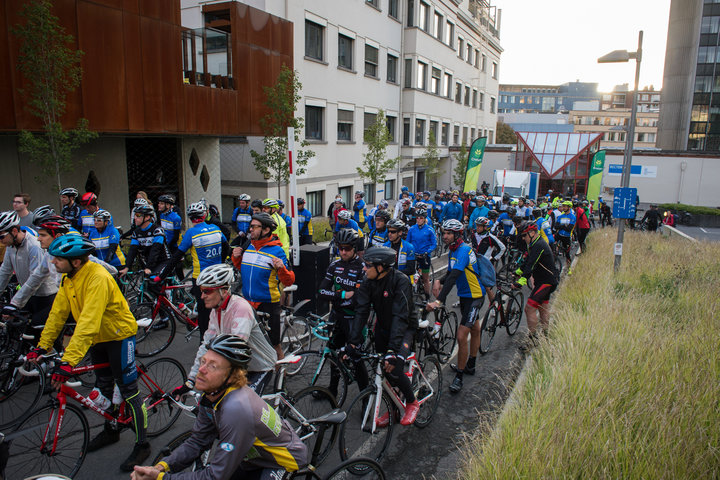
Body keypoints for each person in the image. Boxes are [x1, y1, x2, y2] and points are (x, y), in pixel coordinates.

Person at [27, 235, 150, 472]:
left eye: (58, 259)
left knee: (128, 390)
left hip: (118, 336)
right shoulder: (69, 279)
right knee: (103, 387)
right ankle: (110, 431)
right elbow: (58, 314)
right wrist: (42, 346)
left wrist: (68, 361)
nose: (52, 262)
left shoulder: (98, 277)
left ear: (75, 262)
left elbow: (88, 322)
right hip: (98, 339)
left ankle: (142, 444)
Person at [132, 335, 308, 480]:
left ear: (232, 376)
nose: (201, 369)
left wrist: (161, 478)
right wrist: (163, 466)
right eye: (203, 361)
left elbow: (215, 476)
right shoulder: (211, 395)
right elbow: (198, 441)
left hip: (280, 461)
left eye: (212, 366)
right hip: (254, 457)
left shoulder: (236, 410)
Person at [171, 264, 277, 399]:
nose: (202, 296)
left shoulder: (241, 309)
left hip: (260, 366)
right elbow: (206, 346)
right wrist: (191, 380)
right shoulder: (216, 310)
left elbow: (234, 350)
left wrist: (210, 377)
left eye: (207, 291)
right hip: (239, 366)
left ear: (224, 291)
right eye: (201, 290)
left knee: (241, 408)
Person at [346, 246, 420, 426]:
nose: (363, 269)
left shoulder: (400, 281)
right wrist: (353, 342)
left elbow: (400, 317)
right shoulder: (368, 281)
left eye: (367, 265)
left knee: (393, 367)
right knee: (382, 369)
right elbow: (361, 312)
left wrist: (392, 350)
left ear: (381, 267)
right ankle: (394, 409)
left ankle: (411, 402)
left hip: (404, 328)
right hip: (383, 327)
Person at [427, 219, 485, 393]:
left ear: (458, 234)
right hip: (465, 296)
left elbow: (454, 278)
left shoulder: (463, 250)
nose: (445, 236)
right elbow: (450, 273)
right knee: (474, 329)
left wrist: (439, 301)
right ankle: (471, 364)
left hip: (475, 297)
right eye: (444, 233)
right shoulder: (454, 250)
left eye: (449, 233)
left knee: (461, 336)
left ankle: (459, 376)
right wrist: (438, 279)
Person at [232, 213, 295, 360]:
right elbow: (243, 269)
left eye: (254, 227)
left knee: (274, 344)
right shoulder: (248, 246)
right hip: (248, 303)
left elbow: (289, 280)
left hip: (267, 304)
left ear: (266, 230)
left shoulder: (277, 251)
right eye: (250, 226)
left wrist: (281, 268)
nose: (250, 229)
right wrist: (236, 257)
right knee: (246, 341)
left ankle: (282, 375)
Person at [162, 201, 229, 337]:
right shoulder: (216, 229)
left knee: (204, 312)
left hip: (201, 277)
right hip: (217, 275)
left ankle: (204, 342)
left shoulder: (192, 232)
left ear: (191, 218)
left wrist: (161, 275)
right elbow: (226, 247)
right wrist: (220, 263)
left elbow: (176, 257)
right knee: (218, 307)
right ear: (205, 215)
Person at [317, 229, 368, 397]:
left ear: (354, 248)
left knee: (356, 359)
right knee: (333, 354)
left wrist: (336, 298)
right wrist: (342, 295)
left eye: (347, 248)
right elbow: (321, 292)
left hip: (354, 320)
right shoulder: (334, 265)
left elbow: (357, 300)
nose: (343, 252)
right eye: (340, 248)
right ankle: (332, 391)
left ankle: (365, 398)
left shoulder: (362, 268)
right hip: (337, 318)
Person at [0, 211, 58, 344]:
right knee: (16, 328)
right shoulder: (11, 246)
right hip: (29, 295)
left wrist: (15, 303)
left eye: (1, 237)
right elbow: (4, 272)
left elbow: (35, 279)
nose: (1, 241)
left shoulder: (34, 246)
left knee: (37, 333)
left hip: (45, 296)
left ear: (14, 231)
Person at [514, 222, 558, 351]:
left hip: (546, 281)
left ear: (532, 233)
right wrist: (517, 271)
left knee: (529, 308)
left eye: (524, 235)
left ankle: (532, 340)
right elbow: (527, 261)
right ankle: (545, 337)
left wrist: (521, 281)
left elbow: (531, 264)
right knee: (543, 308)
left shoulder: (539, 245)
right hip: (544, 280)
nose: (523, 238)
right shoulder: (534, 243)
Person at [120, 204, 169, 277]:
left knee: (153, 280)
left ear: (147, 217)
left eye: (138, 215)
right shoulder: (136, 232)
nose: (135, 218)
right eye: (135, 215)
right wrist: (127, 267)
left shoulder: (157, 230)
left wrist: (149, 267)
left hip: (163, 261)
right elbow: (132, 251)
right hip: (147, 262)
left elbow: (155, 250)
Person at [407, 206, 437, 296]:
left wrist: (427, 252)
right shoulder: (412, 229)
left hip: (425, 256)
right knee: (409, 276)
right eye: (417, 218)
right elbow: (408, 243)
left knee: (425, 279)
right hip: (414, 256)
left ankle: (427, 297)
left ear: (424, 219)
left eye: (421, 218)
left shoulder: (429, 230)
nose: (418, 220)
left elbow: (434, 244)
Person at [553, 201, 576, 273]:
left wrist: (561, 226)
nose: (563, 207)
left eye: (565, 206)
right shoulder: (561, 216)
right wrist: (564, 226)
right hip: (559, 235)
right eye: (563, 206)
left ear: (569, 207)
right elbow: (555, 226)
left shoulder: (572, 217)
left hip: (566, 236)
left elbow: (569, 229)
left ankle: (569, 268)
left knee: (567, 253)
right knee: (550, 244)